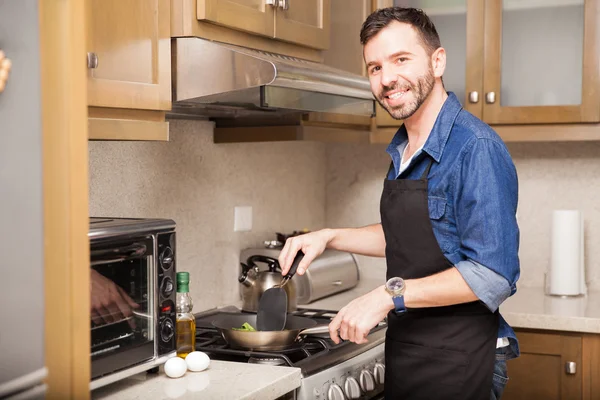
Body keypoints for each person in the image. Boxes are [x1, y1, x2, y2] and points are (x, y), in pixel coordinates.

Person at [278, 7, 520, 400]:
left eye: (400, 60)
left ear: (437, 61)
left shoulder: (475, 148)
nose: (387, 79)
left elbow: (493, 274)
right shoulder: (405, 149)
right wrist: (329, 236)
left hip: (461, 359)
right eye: (374, 67)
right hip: (413, 349)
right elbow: (415, 237)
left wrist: (386, 296)